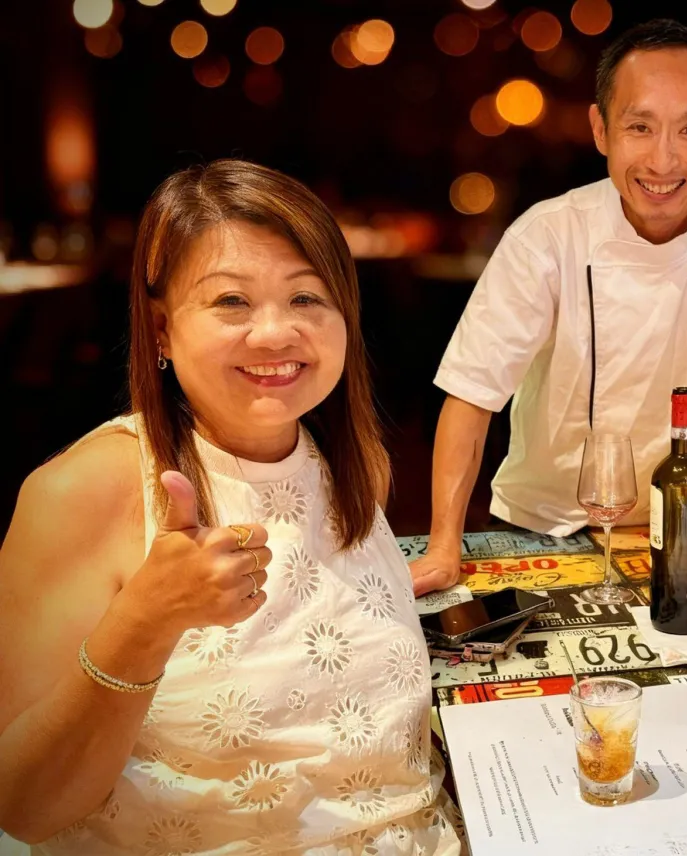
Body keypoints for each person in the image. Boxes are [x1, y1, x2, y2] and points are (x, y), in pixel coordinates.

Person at [0, 160, 463, 853]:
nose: (275, 333)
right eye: (231, 302)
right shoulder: (85, 491)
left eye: (306, 297)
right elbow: (25, 807)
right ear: (161, 329)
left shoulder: (353, 464)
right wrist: (143, 624)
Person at [414, 19, 687, 604]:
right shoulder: (548, 234)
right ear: (601, 129)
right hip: (535, 528)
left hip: (676, 532)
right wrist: (444, 544)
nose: (662, 159)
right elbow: (471, 393)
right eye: (640, 126)